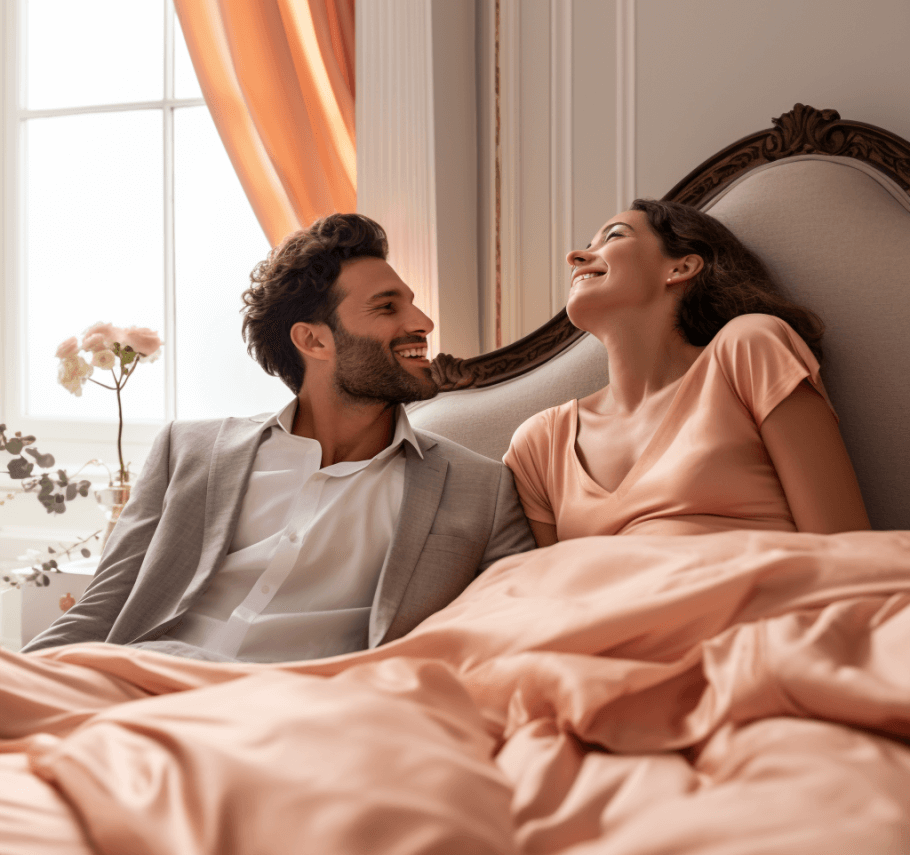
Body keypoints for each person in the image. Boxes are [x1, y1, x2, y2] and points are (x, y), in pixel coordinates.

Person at [23, 213, 535, 661]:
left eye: (412, 305)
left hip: (299, 714)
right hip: (139, 681)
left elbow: (507, 639)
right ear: (313, 339)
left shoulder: (481, 489)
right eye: (387, 307)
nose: (422, 322)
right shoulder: (188, 450)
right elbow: (99, 611)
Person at [504, 198, 870, 546]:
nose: (575, 256)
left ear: (681, 267)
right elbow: (547, 593)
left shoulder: (748, 347)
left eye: (614, 236)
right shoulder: (540, 443)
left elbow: (842, 546)